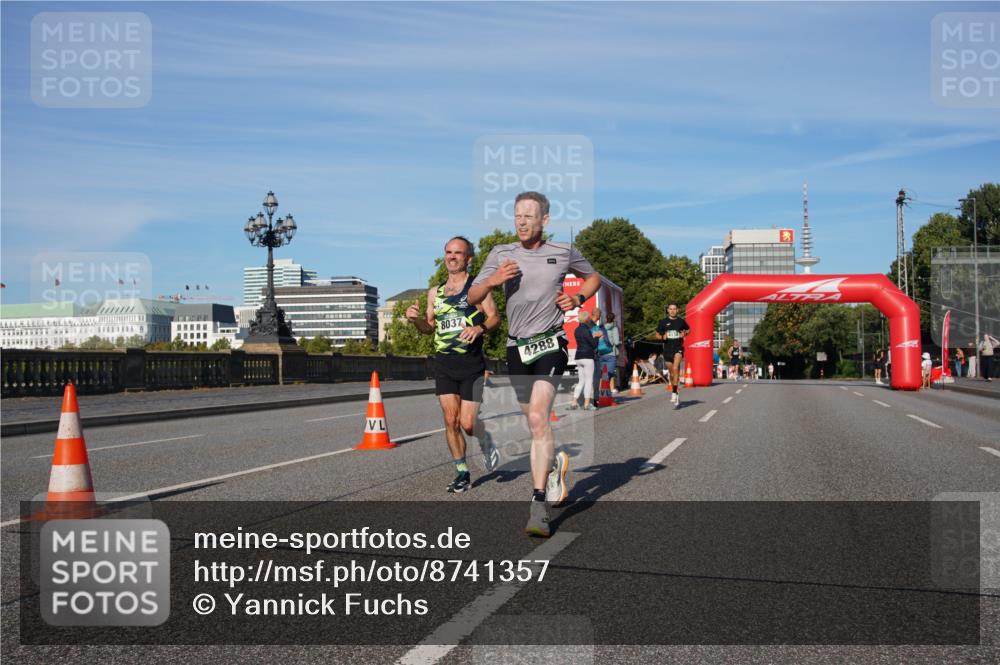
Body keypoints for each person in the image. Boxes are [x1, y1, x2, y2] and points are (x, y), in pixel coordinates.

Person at [468, 191, 601, 538]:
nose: (522, 221)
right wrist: (493, 281)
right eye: (517, 215)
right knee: (533, 421)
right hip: (517, 347)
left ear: (545, 220)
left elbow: (593, 278)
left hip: (551, 343)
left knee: (540, 417)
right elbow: (472, 296)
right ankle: (554, 464)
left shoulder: (562, 252)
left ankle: (537, 505)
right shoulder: (501, 253)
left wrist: (577, 297)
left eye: (529, 215)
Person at [406, 236, 501, 493]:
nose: (452, 256)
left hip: (471, 364)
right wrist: (415, 320)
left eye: (458, 253)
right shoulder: (434, 293)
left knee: (468, 424)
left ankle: (485, 438)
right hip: (444, 364)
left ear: (468, 258)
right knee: (451, 420)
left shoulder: (477, 289)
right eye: (448, 252)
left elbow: (494, 318)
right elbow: (429, 328)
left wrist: (479, 328)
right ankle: (462, 472)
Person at [655, 303, 690, 408]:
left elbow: (688, 329)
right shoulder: (663, 322)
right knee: (671, 373)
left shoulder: (681, 321)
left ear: (677, 310)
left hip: (678, 348)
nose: (672, 311)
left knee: (675, 368)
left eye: (674, 309)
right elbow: (656, 335)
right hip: (667, 350)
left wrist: (685, 334)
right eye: (670, 309)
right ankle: (675, 389)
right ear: (667, 310)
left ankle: (674, 391)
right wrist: (663, 337)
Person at [569, 309, 597, 410]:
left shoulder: (577, 330)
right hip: (587, 356)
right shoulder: (587, 330)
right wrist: (597, 336)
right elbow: (594, 344)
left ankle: (574, 402)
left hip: (578, 356)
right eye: (589, 318)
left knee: (581, 381)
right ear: (586, 319)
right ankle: (586, 404)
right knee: (589, 381)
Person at [590, 307, 612, 401]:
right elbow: (592, 338)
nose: (600, 317)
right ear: (597, 315)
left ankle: (592, 397)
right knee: (596, 376)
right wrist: (599, 335)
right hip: (593, 354)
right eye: (599, 315)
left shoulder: (589, 324)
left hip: (590, 353)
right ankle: (594, 397)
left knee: (591, 376)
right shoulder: (592, 326)